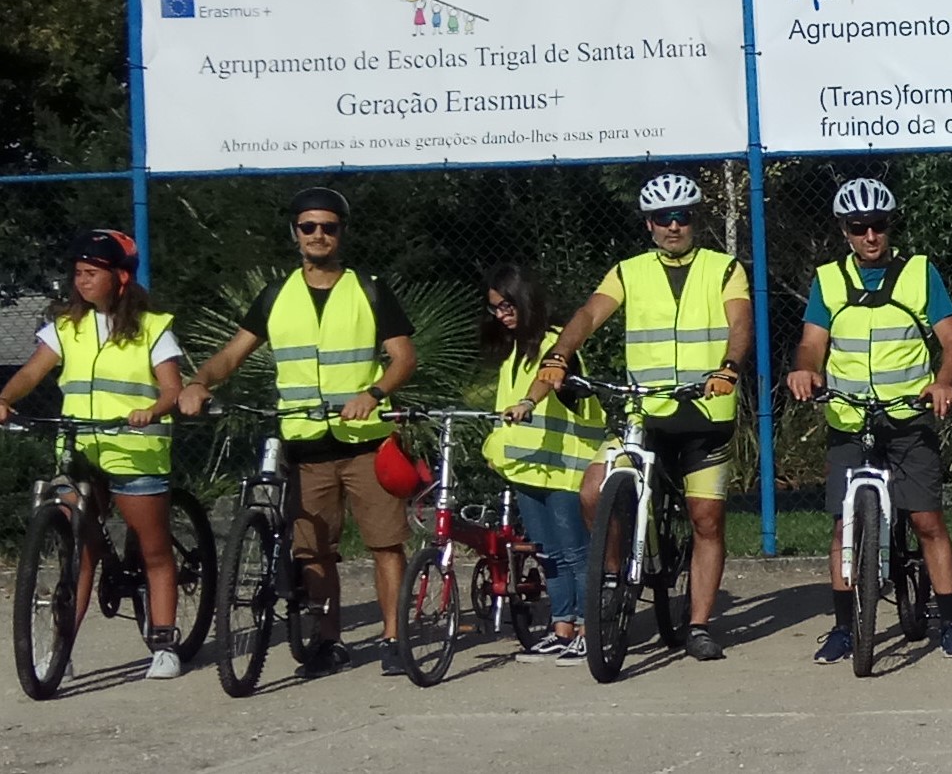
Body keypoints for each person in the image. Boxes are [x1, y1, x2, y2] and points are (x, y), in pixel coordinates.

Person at [182, 187, 422, 676]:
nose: (318, 235)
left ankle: (395, 638)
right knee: (314, 550)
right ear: (294, 233)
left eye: (328, 227)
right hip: (305, 444)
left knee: (384, 544)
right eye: (308, 226)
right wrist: (200, 381)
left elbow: (404, 358)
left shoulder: (369, 289)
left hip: (366, 441)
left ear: (341, 233)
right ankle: (328, 641)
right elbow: (231, 355)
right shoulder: (276, 295)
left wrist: (373, 393)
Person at [520, 173, 752, 662]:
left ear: (694, 220)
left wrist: (729, 367)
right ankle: (611, 577)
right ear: (649, 224)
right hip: (644, 411)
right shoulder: (628, 271)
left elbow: (740, 322)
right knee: (593, 490)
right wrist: (560, 354)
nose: (673, 226)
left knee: (706, 519)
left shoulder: (724, 268)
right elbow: (588, 315)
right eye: (663, 218)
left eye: (681, 216)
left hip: (705, 413)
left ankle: (698, 625)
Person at [787, 178, 952, 662]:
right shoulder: (829, 279)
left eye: (878, 225)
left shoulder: (918, 273)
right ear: (845, 231)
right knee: (842, 525)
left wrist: (944, 381)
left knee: (927, 519)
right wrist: (805, 369)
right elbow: (812, 342)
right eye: (859, 228)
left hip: (908, 415)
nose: (870, 236)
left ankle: (951, 622)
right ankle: (842, 628)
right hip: (850, 415)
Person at [0, 231, 190, 679]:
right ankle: (61, 649)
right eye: (78, 273)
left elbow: (172, 389)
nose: (81, 281)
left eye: (91, 273)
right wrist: (5, 397)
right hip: (80, 450)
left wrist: (152, 410)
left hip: (134, 451)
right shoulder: (67, 327)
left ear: (120, 277)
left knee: (154, 550)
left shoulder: (152, 328)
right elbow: (31, 372)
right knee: (78, 551)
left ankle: (165, 643)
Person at [477, 264, 603, 664]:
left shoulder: (556, 343)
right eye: (496, 308)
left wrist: (528, 402)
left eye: (508, 305)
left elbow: (548, 381)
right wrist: (497, 450)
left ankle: (588, 627)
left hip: (565, 468)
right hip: (528, 469)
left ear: (526, 300)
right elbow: (505, 412)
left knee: (575, 552)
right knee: (548, 553)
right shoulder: (513, 352)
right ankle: (562, 626)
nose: (502, 314)